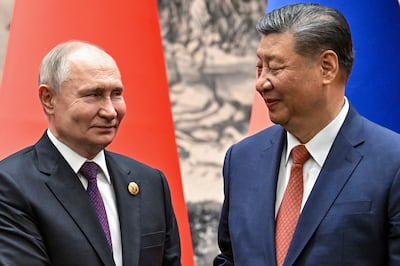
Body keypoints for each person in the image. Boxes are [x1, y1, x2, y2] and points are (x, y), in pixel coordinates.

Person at [214, 3, 400, 266]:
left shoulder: (392, 164)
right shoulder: (242, 160)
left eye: (275, 68)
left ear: (327, 67)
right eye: (259, 68)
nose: (261, 83)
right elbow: (230, 258)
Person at [0, 40, 181, 265]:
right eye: (93, 95)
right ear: (48, 99)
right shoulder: (10, 185)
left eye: (116, 94)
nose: (110, 111)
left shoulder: (150, 182)